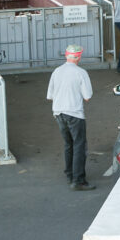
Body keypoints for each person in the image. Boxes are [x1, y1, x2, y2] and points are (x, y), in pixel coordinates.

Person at [47, 44, 95, 191]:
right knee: (79, 145)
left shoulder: (56, 71)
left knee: (68, 144)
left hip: (58, 113)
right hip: (74, 113)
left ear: (66, 56)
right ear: (79, 57)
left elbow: (50, 96)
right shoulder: (81, 73)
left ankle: (69, 174)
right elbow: (88, 96)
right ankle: (78, 180)